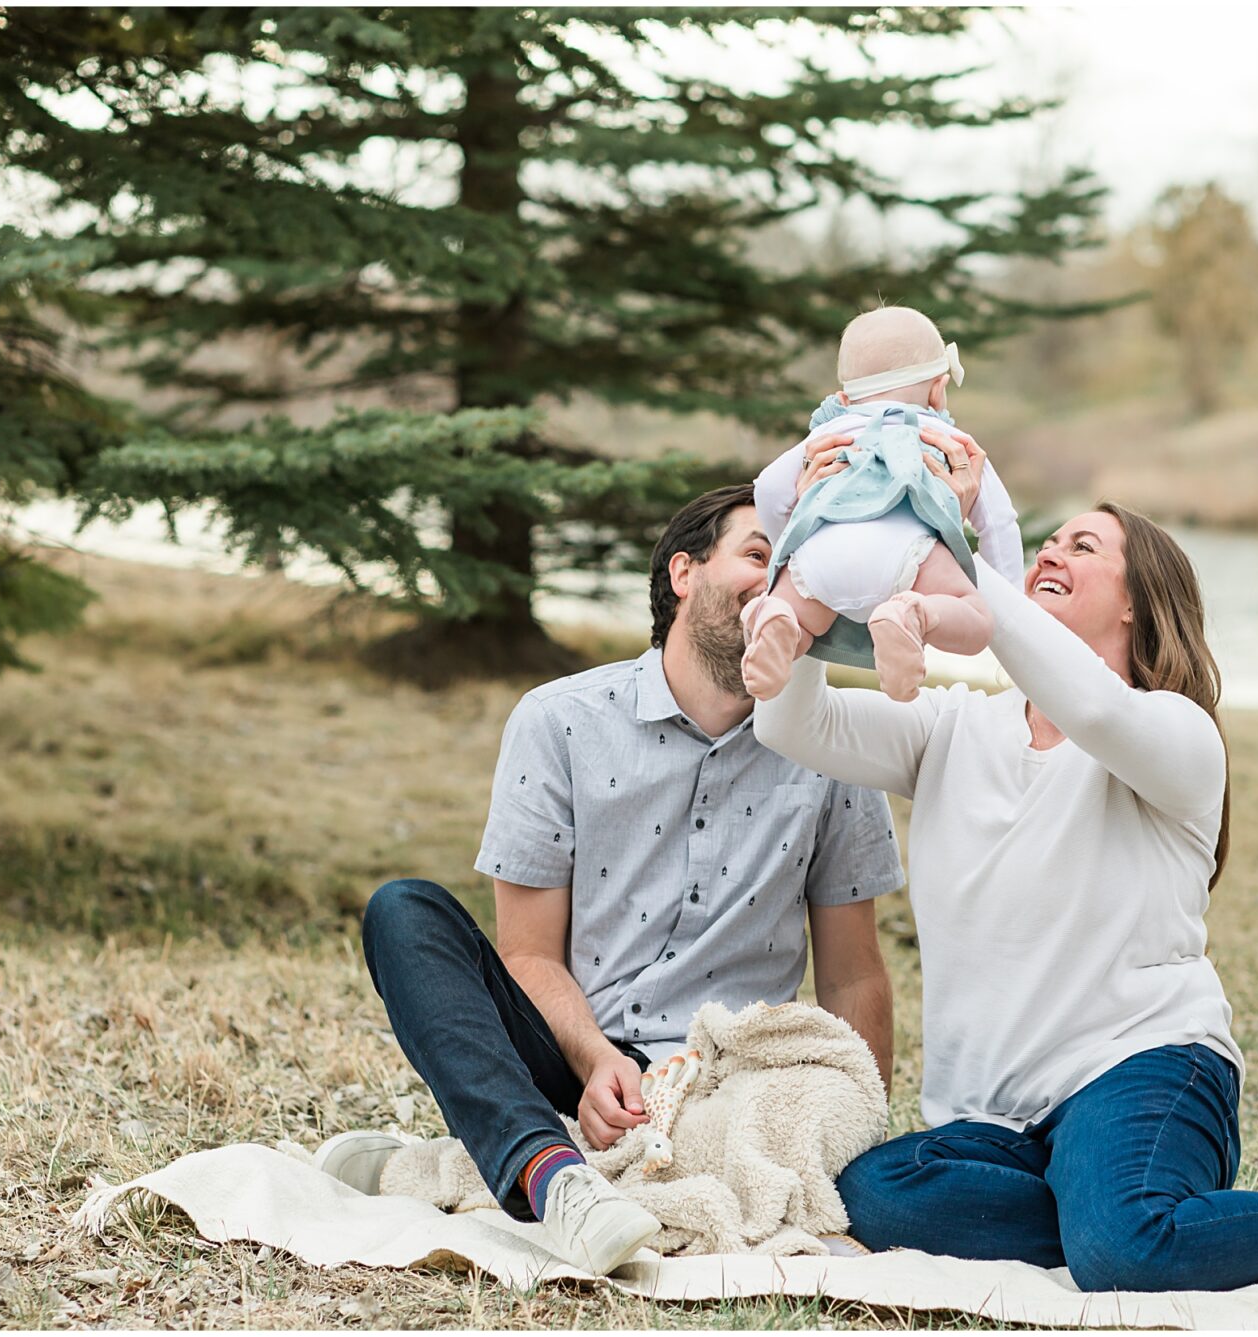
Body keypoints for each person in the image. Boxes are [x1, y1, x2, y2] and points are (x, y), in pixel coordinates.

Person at [754, 496, 1258, 1290]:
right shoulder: (951, 727)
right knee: (873, 1192)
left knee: (1129, 1251)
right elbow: (788, 723)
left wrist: (941, 553)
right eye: (1048, 541)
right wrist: (819, 555)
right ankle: (1115, 1209)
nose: (1051, 552)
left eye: (1082, 546)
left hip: (1140, 1068)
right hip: (992, 1122)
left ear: (1134, 602)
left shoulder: (1176, 735)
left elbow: (1090, 704)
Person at [332, 485, 909, 1277]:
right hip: (568, 1054)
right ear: (684, 573)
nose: (780, 588)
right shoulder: (559, 721)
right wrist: (596, 1057)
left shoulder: (837, 745)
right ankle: (557, 1174)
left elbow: (853, 975)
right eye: (758, 557)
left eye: (797, 575)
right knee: (405, 911)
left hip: (725, 1084)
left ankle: (482, 1158)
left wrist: (853, 1134)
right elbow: (528, 956)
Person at [742, 305, 1024, 703]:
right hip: (910, 555)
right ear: (937, 389)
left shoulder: (829, 436)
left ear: (843, 397)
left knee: (806, 620)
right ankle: (912, 616)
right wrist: (1014, 609)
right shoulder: (952, 442)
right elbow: (999, 522)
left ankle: (777, 620)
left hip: (819, 557)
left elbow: (768, 489)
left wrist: (793, 551)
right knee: (976, 619)